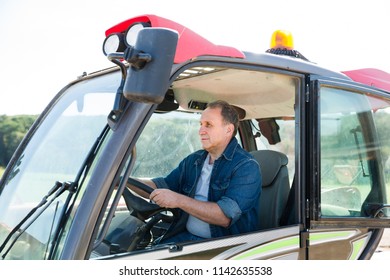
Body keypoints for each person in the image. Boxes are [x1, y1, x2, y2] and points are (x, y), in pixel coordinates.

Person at [129, 100, 262, 243]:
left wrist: (178, 200)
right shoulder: (194, 161)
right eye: (201, 124)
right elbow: (161, 186)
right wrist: (123, 181)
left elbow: (224, 217)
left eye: (208, 125)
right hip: (185, 237)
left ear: (228, 130)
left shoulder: (246, 167)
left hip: (223, 247)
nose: (201, 131)